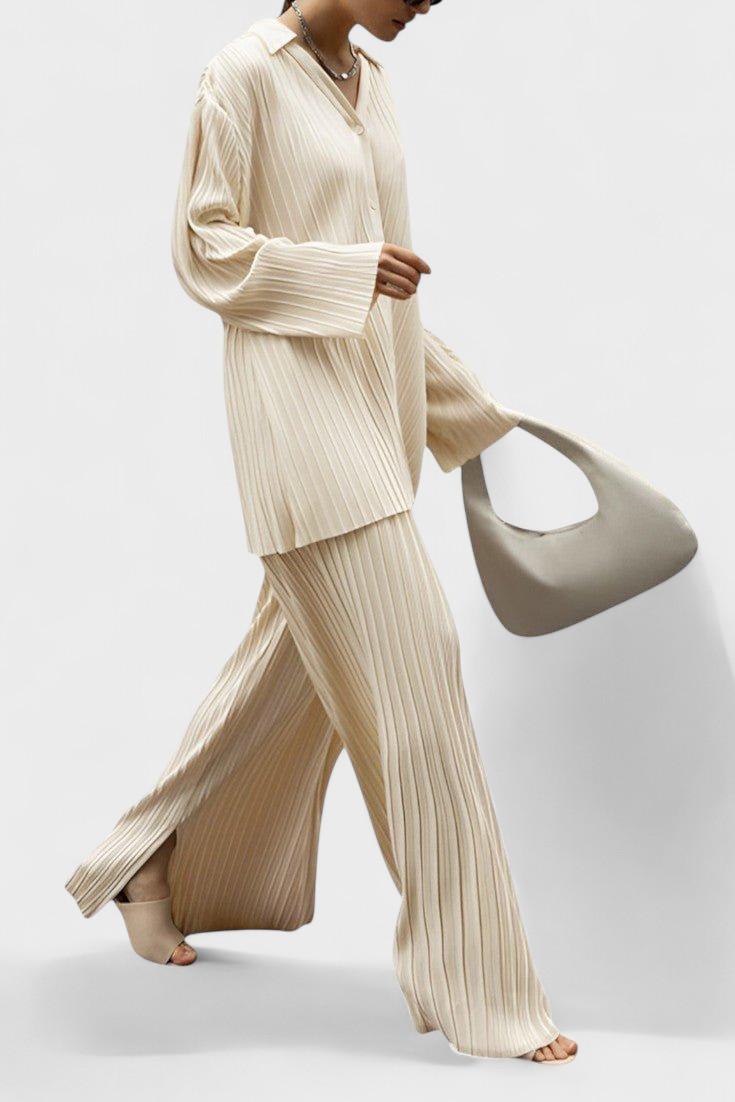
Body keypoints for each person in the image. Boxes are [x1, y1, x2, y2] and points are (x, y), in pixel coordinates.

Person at [65, 0, 578, 1065]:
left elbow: (391, 294)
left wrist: (474, 414)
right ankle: (485, 990)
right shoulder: (241, 74)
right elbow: (204, 248)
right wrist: (343, 273)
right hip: (301, 437)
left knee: (281, 679)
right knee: (422, 676)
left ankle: (139, 858)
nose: (430, 2)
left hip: (373, 427)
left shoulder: (371, 84)